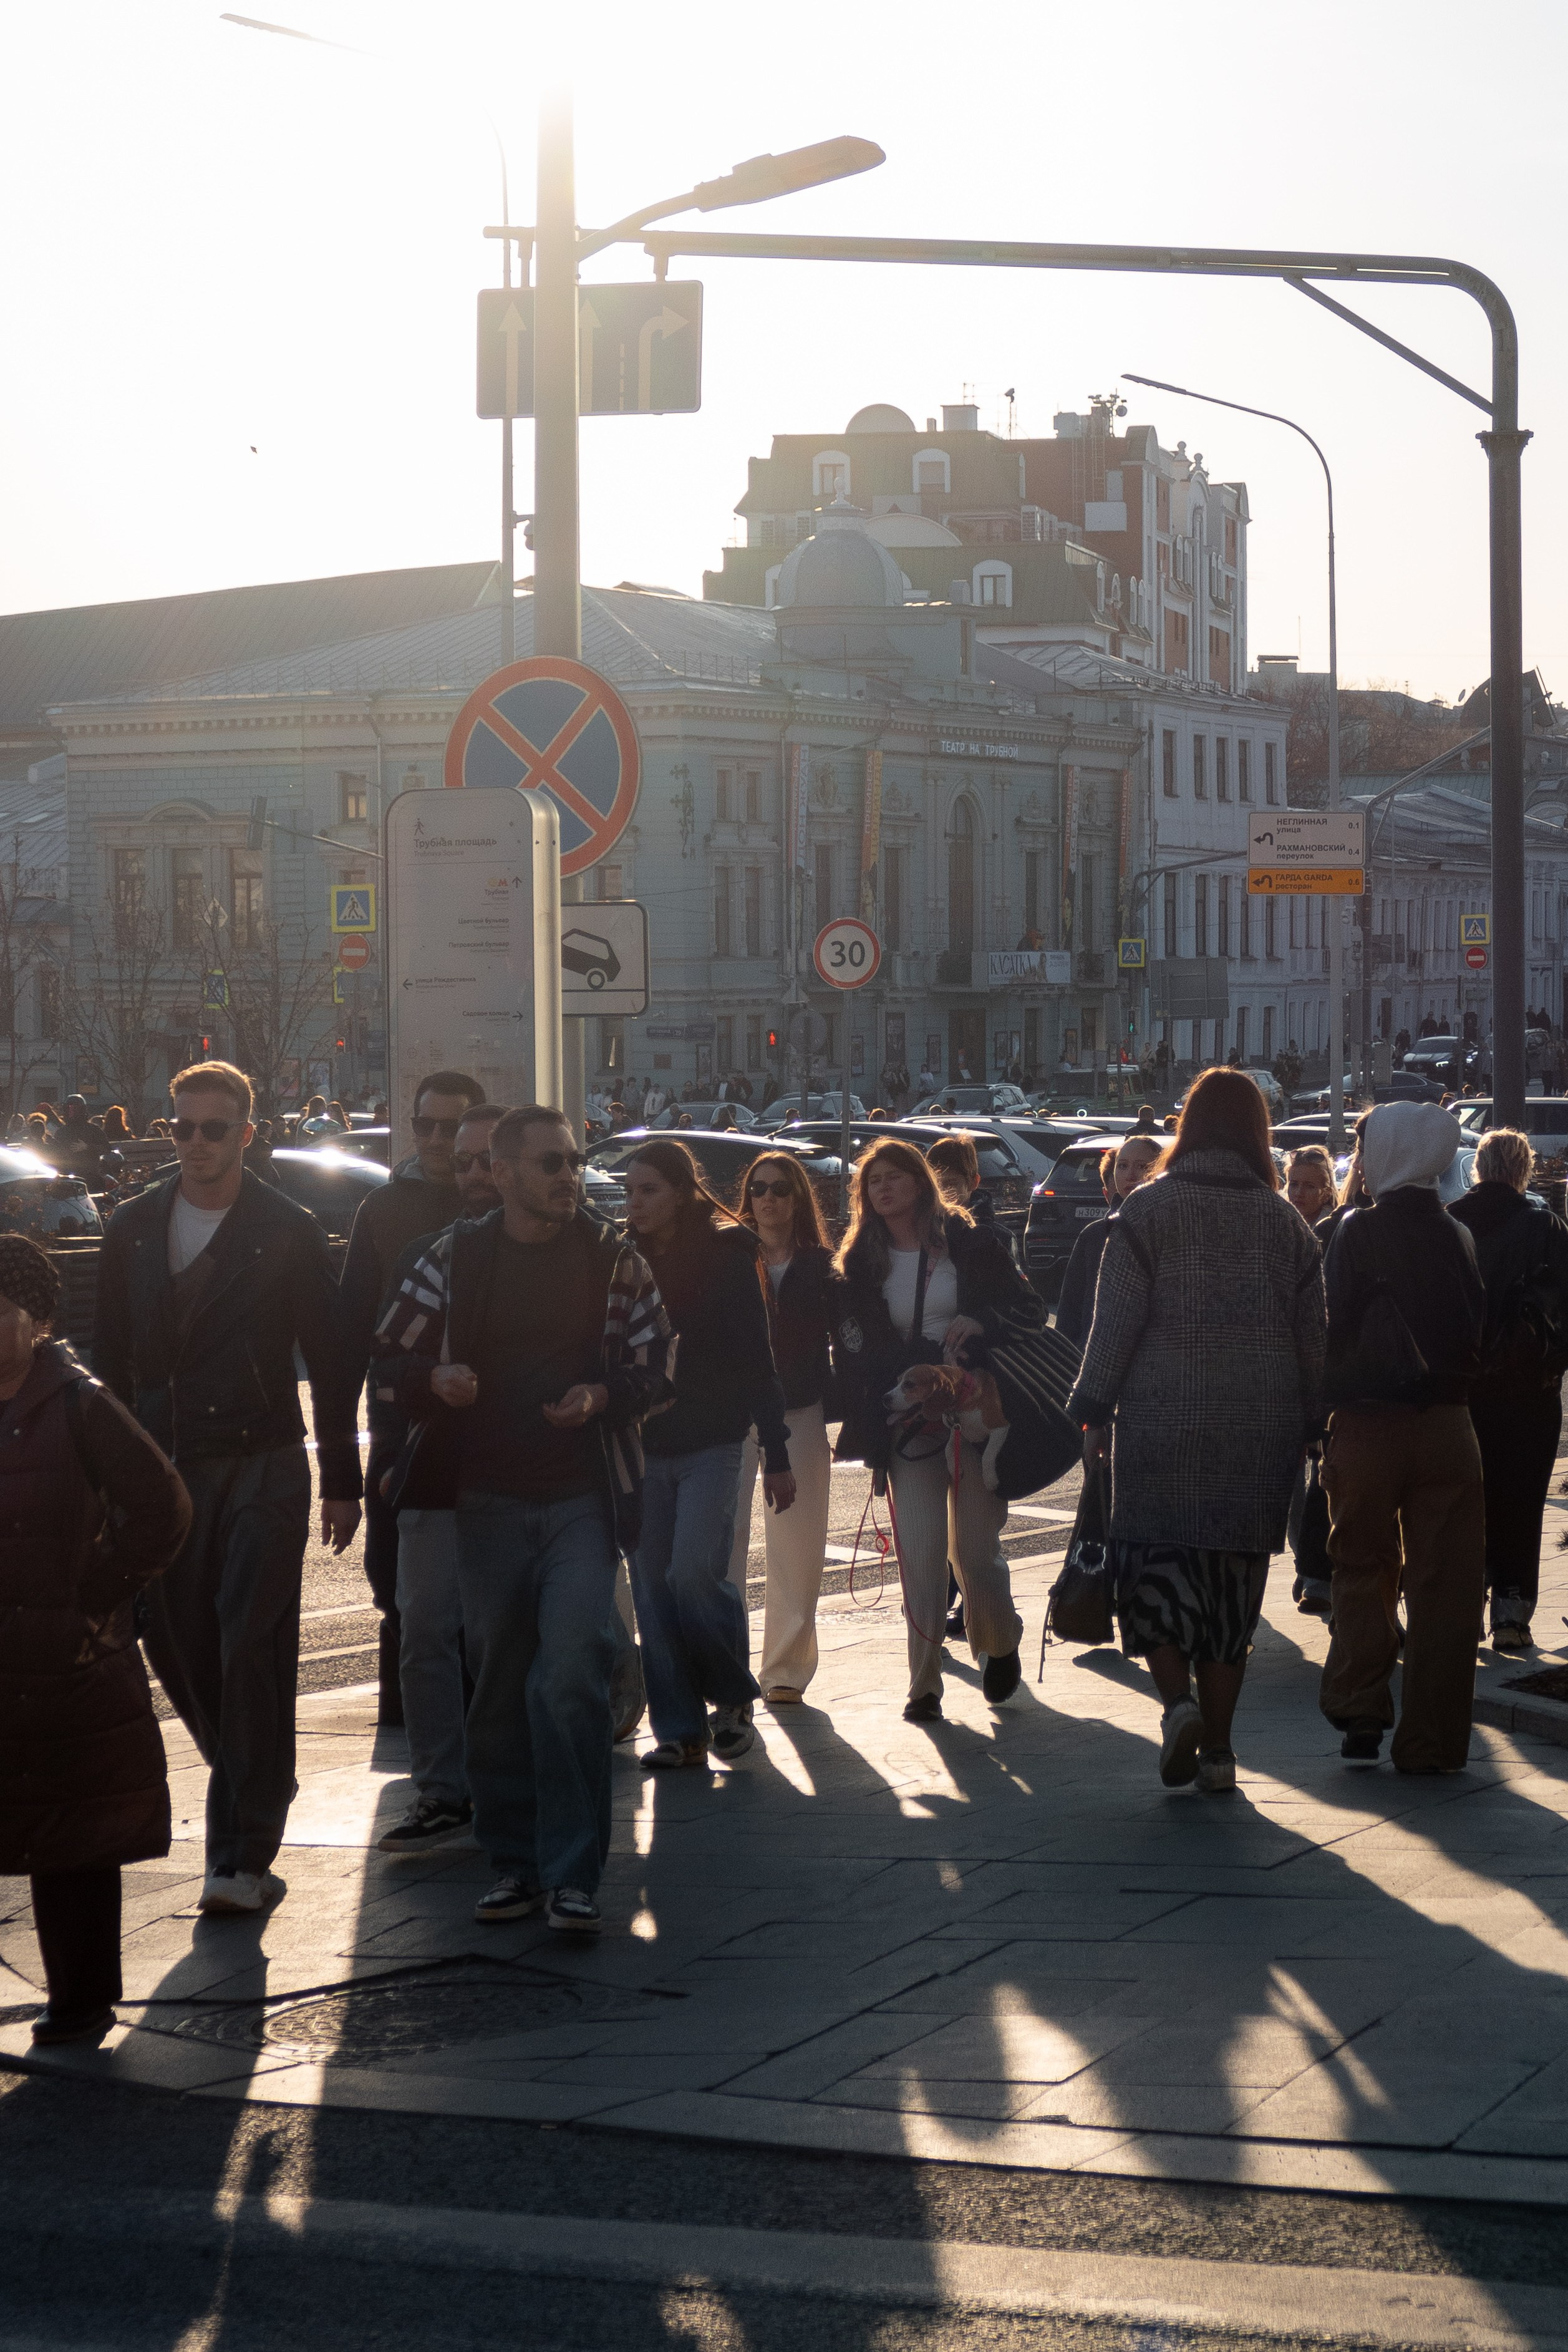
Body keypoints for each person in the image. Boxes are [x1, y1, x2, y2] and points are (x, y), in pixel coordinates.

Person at [375, 1104, 670, 1934]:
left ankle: (574, 1873)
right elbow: (389, 1354)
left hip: (580, 1498)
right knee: (501, 1685)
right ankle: (514, 1862)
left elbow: (658, 1359)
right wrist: (437, 1381)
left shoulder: (611, 1257)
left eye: (573, 1160)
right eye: (548, 1162)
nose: (567, 1175)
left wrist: (604, 1395)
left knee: (569, 1673)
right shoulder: (456, 1255)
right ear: (501, 1173)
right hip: (484, 1503)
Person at [92, 1060, 361, 1914]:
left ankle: (237, 1852)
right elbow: (108, 1361)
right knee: (177, 1646)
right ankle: (257, 1782)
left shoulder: (287, 1226)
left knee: (252, 1642)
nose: (197, 1142)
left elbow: (330, 1356)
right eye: (182, 1127)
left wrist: (343, 1478)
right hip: (164, 1465)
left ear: (248, 1133)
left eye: (215, 1127)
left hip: (263, 1457)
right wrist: (106, 1481)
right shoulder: (132, 1227)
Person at [1068, 1068, 1326, 1795]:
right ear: (1258, 1131)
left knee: (1156, 1574)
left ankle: (1176, 1702)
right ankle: (1218, 1750)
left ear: (1187, 1124)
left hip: (1160, 1422)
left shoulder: (1145, 1211)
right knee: (1230, 1594)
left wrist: (1091, 1410)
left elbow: (1114, 1324)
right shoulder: (1287, 1224)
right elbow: (1315, 1336)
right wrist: (1315, 1423)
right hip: (1260, 1430)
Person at [0, 1237, 192, 2046]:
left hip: (65, 1659)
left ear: (38, 1319)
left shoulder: (78, 1401)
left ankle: (80, 1999)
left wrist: (96, 1597)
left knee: (70, 1834)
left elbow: (162, 1509)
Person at [833, 1136, 1040, 1722]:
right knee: (921, 1554)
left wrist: (982, 1320)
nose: (883, 1188)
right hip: (909, 1423)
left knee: (975, 1555)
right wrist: (871, 1418)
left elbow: (1027, 1310)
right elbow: (853, 1352)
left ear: (921, 1181)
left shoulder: (969, 1242)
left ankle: (998, 1641)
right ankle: (923, 1683)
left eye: (896, 1176)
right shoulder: (860, 1262)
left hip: (973, 1416)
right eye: (873, 1181)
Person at [1319, 1101, 1486, 1771]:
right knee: (1447, 1584)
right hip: (1450, 1425)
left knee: (1363, 1563)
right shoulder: (1460, 1235)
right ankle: (1435, 1739)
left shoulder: (1357, 1231)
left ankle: (1361, 1707)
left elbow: (1328, 1330)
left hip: (1366, 1424)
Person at [624, 1138, 793, 1768]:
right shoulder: (621, 1255)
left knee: (692, 1573)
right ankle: (679, 1730)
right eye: (629, 1192)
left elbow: (758, 1357)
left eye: (648, 1191)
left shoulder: (727, 1251)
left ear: (681, 1192)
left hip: (715, 1439)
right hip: (643, 1445)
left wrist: (776, 1450)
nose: (635, 1204)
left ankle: (731, 1701)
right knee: (651, 1587)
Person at [370, 1102, 506, 1855]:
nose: (475, 1176)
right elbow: (387, 1362)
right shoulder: (431, 1255)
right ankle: (441, 1791)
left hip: (527, 1478)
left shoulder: (577, 1253)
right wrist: (388, 1458)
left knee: (503, 1639)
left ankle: (507, 1782)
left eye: (488, 1160)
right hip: (436, 1475)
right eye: (464, 1163)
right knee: (426, 1632)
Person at [338, 1069, 485, 1721]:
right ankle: (408, 1706)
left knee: (479, 1570)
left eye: (448, 1126)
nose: (432, 1138)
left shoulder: (496, 1205)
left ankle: (473, 1702)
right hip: (400, 1414)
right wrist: (340, 1468)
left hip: (485, 1419)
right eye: (423, 1124)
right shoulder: (385, 1208)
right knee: (391, 1564)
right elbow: (350, 1334)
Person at [1449, 1128, 1568, 1653]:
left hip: (1461, 1392)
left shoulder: (1449, 1221)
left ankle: (1465, 1603)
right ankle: (1512, 1613)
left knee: (1463, 1500)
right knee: (1522, 1498)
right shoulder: (1546, 1227)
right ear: (1524, 1169)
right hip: (1528, 1391)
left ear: (1478, 1167)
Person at [727, 1151, 836, 1705]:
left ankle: (785, 1671)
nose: (767, 1198)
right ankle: (725, 1667)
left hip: (800, 1410)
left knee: (798, 1546)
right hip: (731, 1414)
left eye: (779, 1188)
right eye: (758, 1188)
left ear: (798, 1198)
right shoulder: (729, 1255)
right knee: (727, 1544)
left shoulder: (822, 1265)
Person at [1054, 1135, 1163, 1350]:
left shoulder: (1170, 1230)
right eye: (1122, 1166)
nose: (1130, 1176)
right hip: (1090, 1357)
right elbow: (1070, 1313)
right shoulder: (1094, 1235)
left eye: (1142, 1166)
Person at [927, 1131, 995, 1228]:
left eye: (951, 1184)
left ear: (973, 1183)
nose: (941, 1192)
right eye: (935, 1184)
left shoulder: (996, 1237)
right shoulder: (914, 1233)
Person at [1286, 1146, 1337, 1229]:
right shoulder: (1280, 1221)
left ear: (1326, 1193)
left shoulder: (1334, 1228)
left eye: (1310, 1187)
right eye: (1294, 1184)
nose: (1299, 1193)